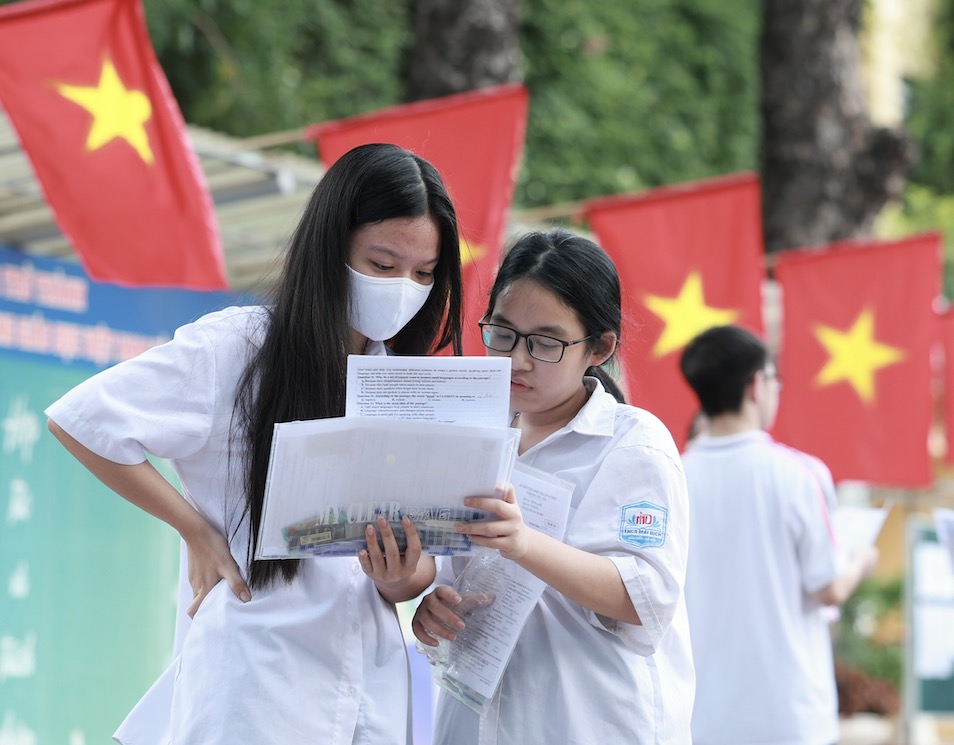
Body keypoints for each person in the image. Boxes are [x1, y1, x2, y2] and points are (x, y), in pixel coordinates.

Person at [45, 142, 464, 744]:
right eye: (382, 263)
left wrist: (400, 576)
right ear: (332, 247)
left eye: (423, 274)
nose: (403, 287)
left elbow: (408, 575)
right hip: (257, 674)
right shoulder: (238, 348)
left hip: (368, 678)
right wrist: (195, 530)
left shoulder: (401, 381)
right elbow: (82, 420)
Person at [412, 228, 695, 744]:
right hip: (473, 723)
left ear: (599, 347)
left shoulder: (633, 443)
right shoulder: (474, 433)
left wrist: (525, 545)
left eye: (545, 343)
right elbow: (451, 574)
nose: (517, 360)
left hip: (586, 724)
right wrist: (434, 609)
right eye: (502, 333)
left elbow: (645, 597)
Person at [678, 325, 878, 745]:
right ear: (756, 385)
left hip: (700, 715)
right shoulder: (799, 474)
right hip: (789, 715)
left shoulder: (673, 475)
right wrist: (861, 561)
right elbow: (828, 588)